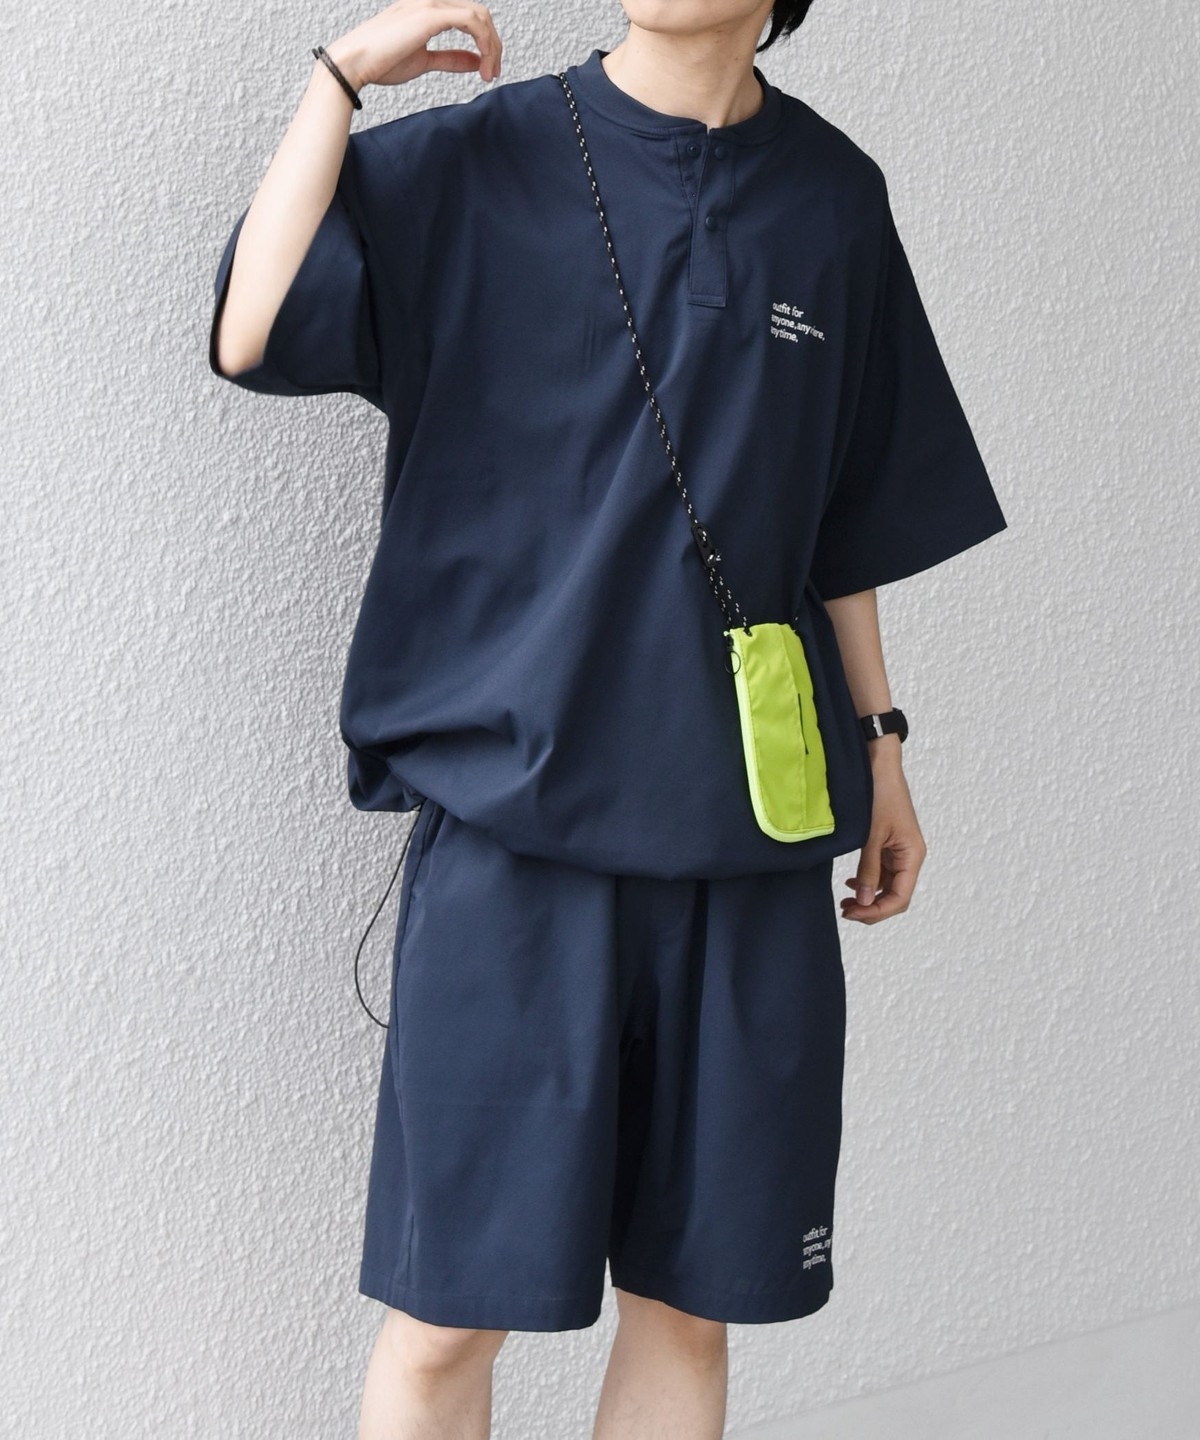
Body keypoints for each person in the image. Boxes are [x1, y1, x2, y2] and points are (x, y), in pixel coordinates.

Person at [209, 1, 1007, 1435]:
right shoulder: (480, 161)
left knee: (691, 1312)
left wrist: (884, 748)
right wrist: (341, 76)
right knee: (447, 1320)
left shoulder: (834, 200)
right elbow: (249, 330)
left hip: (750, 847)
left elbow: (843, 517)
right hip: (515, 838)